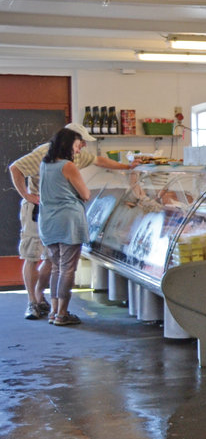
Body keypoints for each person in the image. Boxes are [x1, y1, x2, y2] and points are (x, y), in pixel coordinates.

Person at [8, 122, 133, 320]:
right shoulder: (45, 156)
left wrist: (129, 166)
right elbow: (15, 168)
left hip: (49, 216)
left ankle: (46, 302)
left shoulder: (70, 157)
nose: (83, 146)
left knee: (53, 262)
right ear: (70, 140)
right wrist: (27, 195)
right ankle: (36, 303)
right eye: (81, 142)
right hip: (39, 210)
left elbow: (100, 161)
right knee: (36, 257)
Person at [37, 128, 91, 326]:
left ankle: (53, 311)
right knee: (68, 269)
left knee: (56, 268)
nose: (78, 151)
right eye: (77, 147)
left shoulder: (44, 164)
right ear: (68, 146)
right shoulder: (68, 166)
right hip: (68, 221)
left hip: (48, 222)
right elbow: (85, 194)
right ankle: (62, 313)